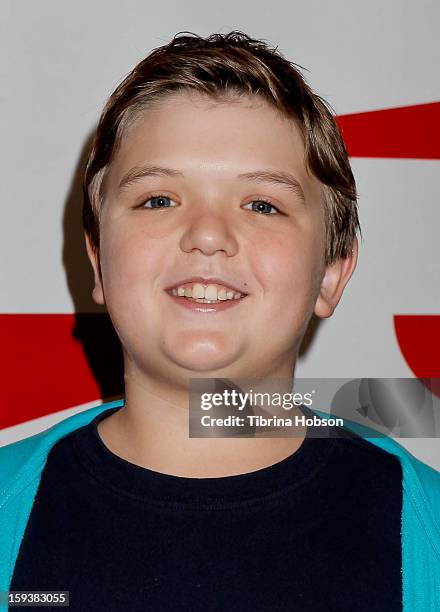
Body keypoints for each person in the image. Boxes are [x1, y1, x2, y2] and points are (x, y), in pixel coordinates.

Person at [1, 31, 439, 611]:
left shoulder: (426, 527)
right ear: (99, 261)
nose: (207, 234)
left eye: (263, 205)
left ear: (332, 273)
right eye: (158, 199)